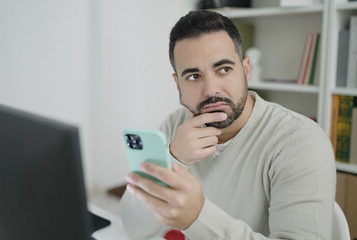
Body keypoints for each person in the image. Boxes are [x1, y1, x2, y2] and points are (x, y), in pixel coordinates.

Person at [120, 10, 336, 240]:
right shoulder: (175, 126)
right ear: (177, 83)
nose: (211, 89)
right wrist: (172, 158)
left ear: (246, 70)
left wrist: (197, 217)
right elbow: (134, 227)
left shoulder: (300, 141)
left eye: (224, 69)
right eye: (194, 76)